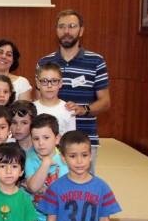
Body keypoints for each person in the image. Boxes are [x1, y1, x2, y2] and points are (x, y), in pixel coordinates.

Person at [37, 9, 110, 174]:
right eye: (62, 26)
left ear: (81, 30)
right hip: (47, 142)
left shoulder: (96, 61)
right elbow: (38, 102)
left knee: (83, 190)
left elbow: (105, 101)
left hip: (84, 139)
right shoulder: (44, 62)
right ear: (56, 30)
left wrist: (84, 110)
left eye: (72, 26)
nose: (66, 31)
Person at [34, 61, 77, 136]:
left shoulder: (68, 109)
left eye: (54, 81)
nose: (49, 85)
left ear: (60, 83)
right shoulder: (32, 108)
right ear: (38, 83)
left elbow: (70, 140)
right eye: (44, 81)